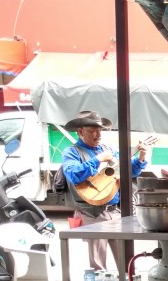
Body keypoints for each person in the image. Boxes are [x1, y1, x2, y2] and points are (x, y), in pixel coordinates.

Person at [61, 110, 148, 270]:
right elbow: (73, 175)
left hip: (115, 211)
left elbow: (128, 170)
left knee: (126, 261)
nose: (97, 134)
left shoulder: (107, 149)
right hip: (91, 213)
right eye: (92, 130)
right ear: (80, 131)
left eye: (99, 130)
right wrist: (98, 159)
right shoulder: (72, 152)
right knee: (98, 267)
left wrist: (141, 156)